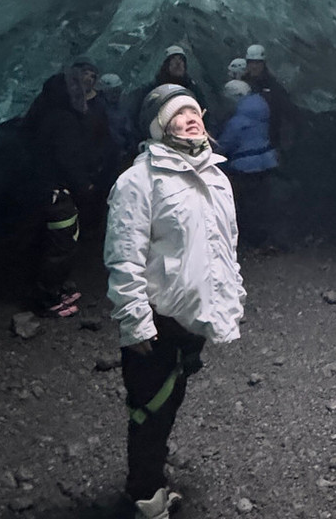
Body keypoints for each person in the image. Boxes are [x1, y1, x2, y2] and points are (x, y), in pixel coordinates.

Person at [103, 84, 245, 519]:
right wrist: (135, 322)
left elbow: (226, 246)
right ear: (159, 128)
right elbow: (124, 255)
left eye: (192, 111)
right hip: (158, 319)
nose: (189, 118)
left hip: (191, 319)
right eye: (176, 115)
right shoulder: (138, 181)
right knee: (150, 411)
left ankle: (152, 484)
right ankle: (145, 497)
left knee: (170, 403)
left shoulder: (215, 177)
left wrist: (231, 298)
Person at [23, 56, 117, 316]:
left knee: (55, 239)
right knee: (62, 242)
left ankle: (53, 287)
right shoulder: (63, 121)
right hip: (56, 193)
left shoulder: (46, 115)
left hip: (47, 189)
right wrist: (83, 185)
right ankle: (48, 297)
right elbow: (68, 158)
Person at [216, 80, 278, 249]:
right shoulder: (262, 111)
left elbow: (225, 144)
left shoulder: (237, 121)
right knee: (262, 202)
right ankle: (264, 238)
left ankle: (249, 240)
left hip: (244, 167)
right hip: (266, 161)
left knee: (246, 205)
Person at [242, 43, 296, 149]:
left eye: (258, 63)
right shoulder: (243, 82)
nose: (254, 66)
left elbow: (286, 111)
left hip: (269, 135)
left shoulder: (272, 85)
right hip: (247, 135)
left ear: (263, 64)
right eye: (251, 62)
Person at [100, 72, 137, 171]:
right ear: (104, 91)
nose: (115, 94)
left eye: (118, 91)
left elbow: (129, 132)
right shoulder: (97, 109)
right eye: (112, 91)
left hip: (123, 156)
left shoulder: (123, 109)